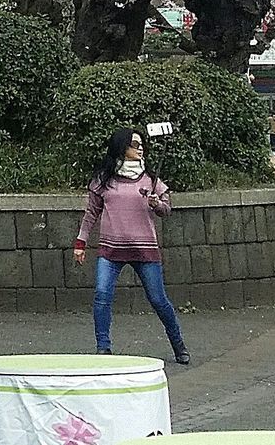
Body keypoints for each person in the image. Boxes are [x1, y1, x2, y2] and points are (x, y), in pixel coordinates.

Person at [73, 127, 190, 365]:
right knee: (102, 295)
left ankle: (179, 344)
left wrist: (157, 204)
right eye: (134, 144)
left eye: (141, 144)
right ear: (121, 148)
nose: (140, 148)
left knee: (158, 299)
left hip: (145, 249)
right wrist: (80, 241)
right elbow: (91, 214)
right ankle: (103, 347)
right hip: (110, 249)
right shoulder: (103, 180)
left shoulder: (150, 180)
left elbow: (167, 210)